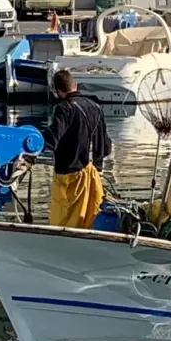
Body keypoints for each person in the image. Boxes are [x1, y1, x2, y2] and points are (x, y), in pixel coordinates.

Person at [44, 70, 111, 229]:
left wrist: (30, 149)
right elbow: (106, 146)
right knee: (91, 220)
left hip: (70, 178)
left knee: (63, 221)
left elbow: (52, 139)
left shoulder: (64, 108)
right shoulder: (96, 107)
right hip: (93, 175)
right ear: (76, 85)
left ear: (57, 91)